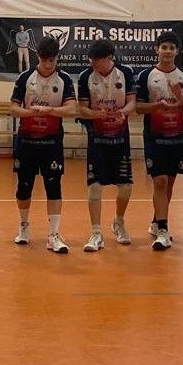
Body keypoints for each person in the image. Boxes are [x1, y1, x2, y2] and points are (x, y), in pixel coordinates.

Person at [10, 36, 76, 254]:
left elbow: (71, 109)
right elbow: (13, 108)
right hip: (26, 141)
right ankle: (23, 226)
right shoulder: (25, 77)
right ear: (38, 56)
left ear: (57, 58)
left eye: (52, 60)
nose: (48, 64)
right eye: (45, 60)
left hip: (52, 141)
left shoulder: (64, 79)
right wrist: (30, 112)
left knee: (53, 186)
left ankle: (53, 235)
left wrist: (50, 111)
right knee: (24, 187)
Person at [135, 31, 183, 251]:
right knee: (159, 181)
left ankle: (156, 220)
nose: (168, 51)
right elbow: (138, 107)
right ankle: (163, 229)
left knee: (169, 183)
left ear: (177, 51)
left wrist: (179, 96)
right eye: (164, 47)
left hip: (176, 138)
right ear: (157, 50)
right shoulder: (146, 75)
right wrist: (156, 106)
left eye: (172, 47)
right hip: (154, 137)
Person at [77, 39, 136, 251]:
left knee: (125, 186)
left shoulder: (125, 73)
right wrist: (97, 115)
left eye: (97, 59)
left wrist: (123, 112)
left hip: (120, 138)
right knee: (95, 186)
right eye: (91, 59)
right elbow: (82, 109)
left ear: (109, 58)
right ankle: (96, 233)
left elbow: (132, 102)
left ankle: (118, 222)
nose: (92, 63)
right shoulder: (85, 76)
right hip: (97, 139)